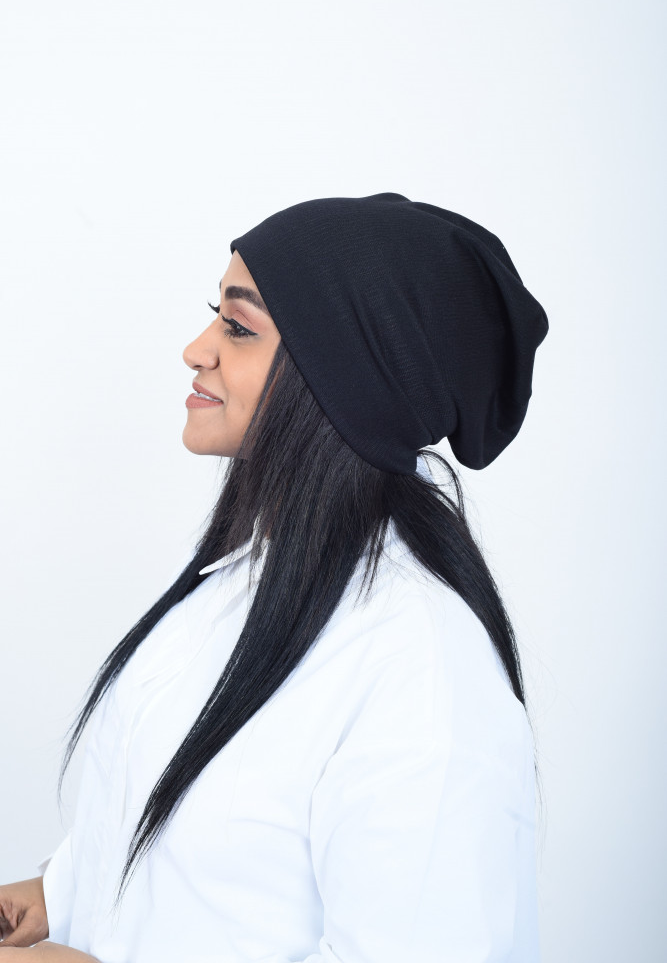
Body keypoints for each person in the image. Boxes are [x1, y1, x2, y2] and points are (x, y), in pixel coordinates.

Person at [0, 193, 549, 963]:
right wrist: (54, 897)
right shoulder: (241, 582)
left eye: (238, 326)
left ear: (348, 375)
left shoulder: (423, 674)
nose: (195, 349)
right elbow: (212, 857)